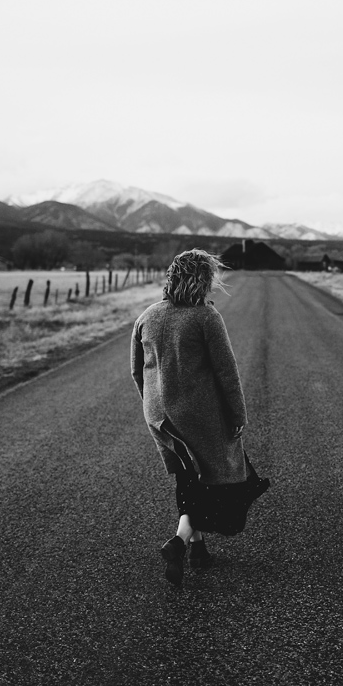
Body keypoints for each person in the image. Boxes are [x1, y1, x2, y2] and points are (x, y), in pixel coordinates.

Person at [131, 248, 251, 585]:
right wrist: (237, 413)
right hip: (198, 415)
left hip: (158, 415)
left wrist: (152, 405)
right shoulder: (205, 317)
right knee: (212, 477)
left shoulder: (147, 316)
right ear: (202, 280)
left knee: (187, 476)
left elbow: (136, 371)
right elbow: (227, 371)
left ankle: (198, 549)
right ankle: (180, 541)